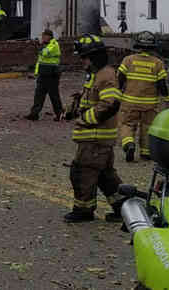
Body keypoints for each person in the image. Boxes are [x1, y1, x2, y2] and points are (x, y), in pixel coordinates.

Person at [65, 34, 125, 223]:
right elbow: (94, 100)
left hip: (95, 138)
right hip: (97, 139)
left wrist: (86, 119)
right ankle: (124, 209)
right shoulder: (96, 74)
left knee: (82, 171)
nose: (82, 61)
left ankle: (83, 210)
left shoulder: (105, 75)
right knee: (104, 176)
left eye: (83, 57)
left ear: (94, 57)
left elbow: (111, 103)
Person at [116, 31, 168, 162]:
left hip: (129, 101)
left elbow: (120, 79)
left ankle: (129, 144)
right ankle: (145, 152)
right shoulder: (158, 63)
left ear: (138, 45)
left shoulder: (128, 60)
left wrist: (117, 93)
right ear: (152, 47)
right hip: (150, 104)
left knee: (126, 124)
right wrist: (168, 98)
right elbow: (162, 85)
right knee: (147, 127)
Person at [25, 29, 63, 121]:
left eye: (44, 36)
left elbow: (45, 53)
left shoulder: (54, 44)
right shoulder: (45, 45)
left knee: (54, 96)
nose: (43, 38)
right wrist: (36, 73)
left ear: (49, 36)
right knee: (38, 95)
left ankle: (60, 114)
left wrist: (37, 45)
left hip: (52, 75)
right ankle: (34, 114)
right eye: (42, 36)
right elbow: (40, 61)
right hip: (43, 74)